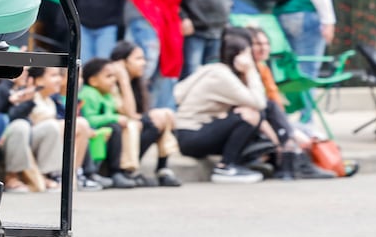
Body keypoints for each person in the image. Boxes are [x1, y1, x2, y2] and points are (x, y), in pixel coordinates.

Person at [171, 31, 268, 183]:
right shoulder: (223, 76)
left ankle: (241, 162)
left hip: (186, 133)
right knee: (251, 115)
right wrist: (250, 71)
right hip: (193, 136)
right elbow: (259, 102)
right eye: (248, 54)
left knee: (246, 113)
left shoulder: (212, 69)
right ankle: (226, 167)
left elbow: (178, 93)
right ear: (239, 56)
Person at [242, 26, 335, 180]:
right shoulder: (244, 71)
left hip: (273, 121)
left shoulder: (263, 68)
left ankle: (321, 164)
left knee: (311, 133)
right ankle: (298, 164)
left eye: (266, 44)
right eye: (257, 44)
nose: (263, 48)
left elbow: (275, 103)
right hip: (257, 122)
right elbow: (258, 105)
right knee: (297, 135)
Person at [106, 40, 181, 187]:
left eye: (144, 59)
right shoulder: (111, 82)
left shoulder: (138, 83)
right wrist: (123, 79)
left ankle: (162, 169)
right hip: (117, 132)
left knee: (167, 114)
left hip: (132, 128)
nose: (144, 63)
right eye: (138, 59)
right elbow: (129, 113)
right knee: (158, 117)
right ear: (122, 62)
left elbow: (138, 114)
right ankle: (128, 171)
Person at [77, 58, 137, 188]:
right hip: (91, 132)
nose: (114, 80)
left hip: (101, 133)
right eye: (108, 76)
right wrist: (115, 118)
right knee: (114, 127)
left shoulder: (107, 94)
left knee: (123, 126)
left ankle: (122, 171)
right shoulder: (88, 94)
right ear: (93, 81)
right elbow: (90, 119)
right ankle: (114, 172)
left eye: (114, 76)